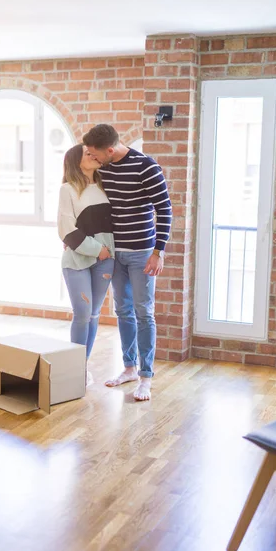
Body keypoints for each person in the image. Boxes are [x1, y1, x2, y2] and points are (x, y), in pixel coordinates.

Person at [83, 124, 172, 401]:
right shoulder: (104, 168)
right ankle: (129, 367)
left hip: (142, 253)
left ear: (110, 149)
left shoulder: (146, 166)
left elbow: (165, 209)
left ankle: (146, 377)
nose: (94, 159)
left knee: (144, 312)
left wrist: (159, 252)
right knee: (123, 311)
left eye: (96, 154)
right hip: (113, 253)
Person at [58, 144, 115, 385]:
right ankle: (74, 369)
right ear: (75, 161)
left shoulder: (106, 186)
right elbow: (66, 230)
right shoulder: (68, 190)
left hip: (105, 261)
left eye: (93, 152)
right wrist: (97, 249)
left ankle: (82, 365)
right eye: (86, 153)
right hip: (78, 260)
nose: (92, 155)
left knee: (93, 315)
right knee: (82, 314)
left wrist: (106, 251)